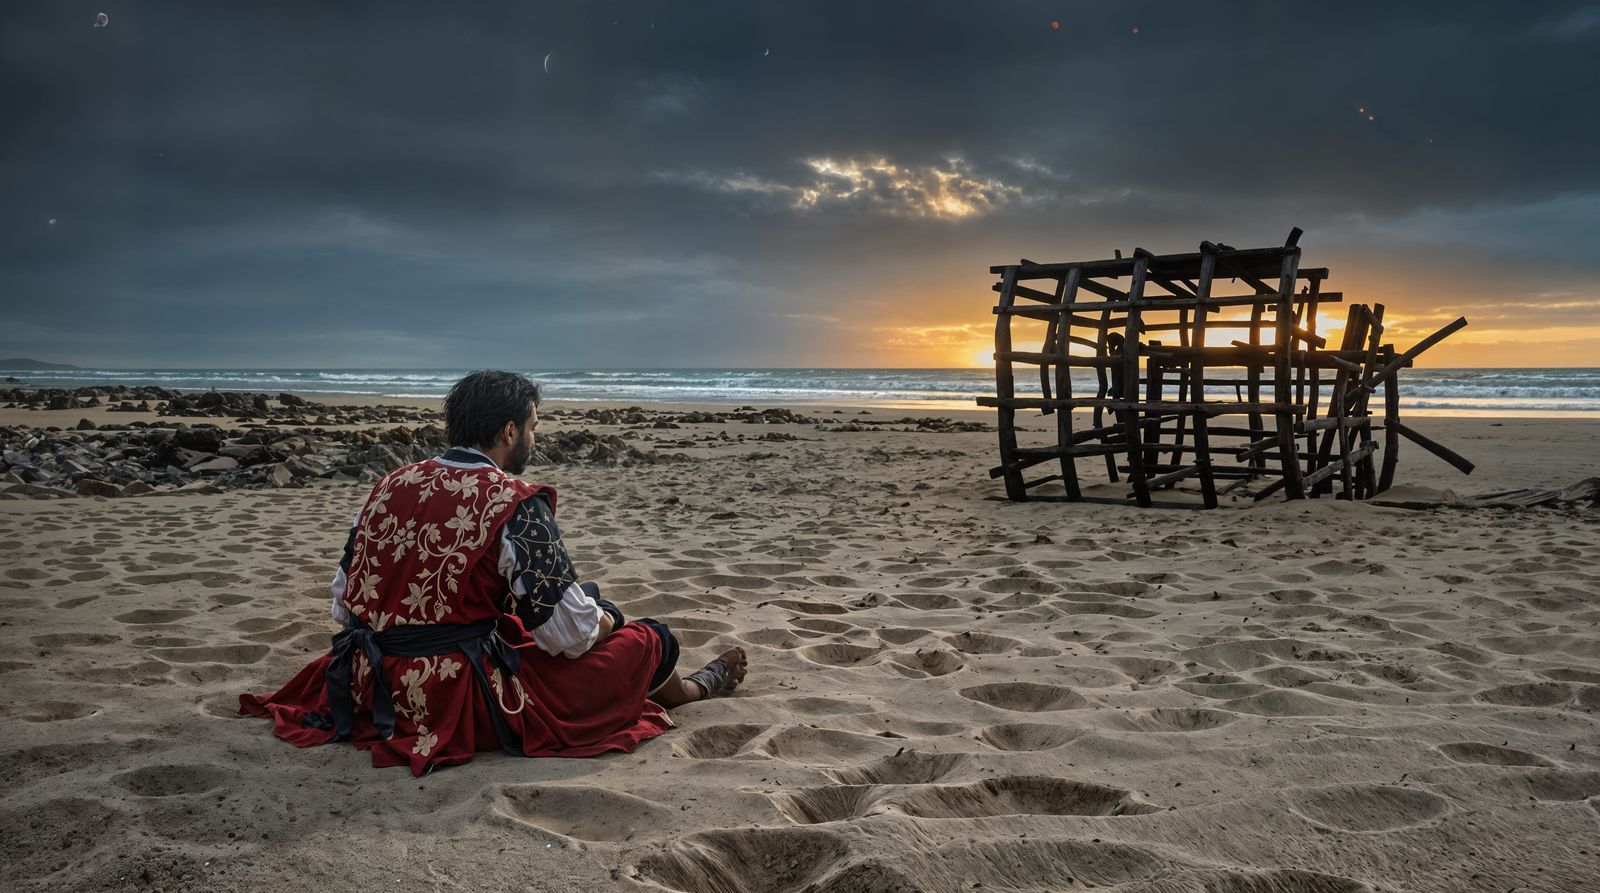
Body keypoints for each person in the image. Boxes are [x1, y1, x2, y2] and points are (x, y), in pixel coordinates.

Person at [240, 370, 748, 775]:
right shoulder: (514, 501)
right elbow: (568, 636)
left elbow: (343, 603)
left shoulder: (390, 484)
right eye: (531, 426)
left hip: (367, 681)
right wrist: (610, 620)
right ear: (509, 431)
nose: (532, 437)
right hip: (453, 696)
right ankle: (692, 690)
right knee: (645, 637)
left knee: (558, 605)